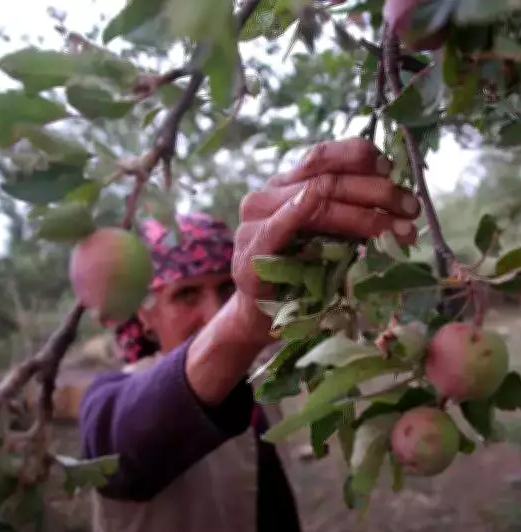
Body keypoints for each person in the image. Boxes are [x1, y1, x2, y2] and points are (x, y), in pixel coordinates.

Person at [78, 137, 422, 532]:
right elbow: (117, 449)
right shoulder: (110, 398)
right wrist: (240, 320)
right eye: (186, 294)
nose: (213, 312)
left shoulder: (260, 375)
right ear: (145, 315)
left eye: (227, 288)